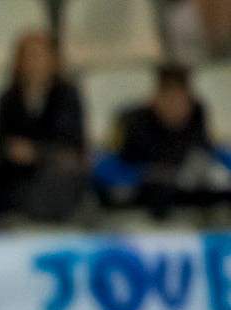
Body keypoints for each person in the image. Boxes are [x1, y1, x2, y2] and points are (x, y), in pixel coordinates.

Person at [95, 64, 231, 219]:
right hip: (145, 197)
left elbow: (209, 151)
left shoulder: (197, 115)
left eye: (181, 100)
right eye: (169, 99)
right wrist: (149, 173)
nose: (175, 107)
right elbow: (110, 166)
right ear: (156, 97)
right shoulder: (134, 121)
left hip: (189, 189)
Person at [0, 32, 86, 224]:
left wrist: (36, 152)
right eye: (29, 56)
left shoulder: (67, 96)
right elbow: (7, 147)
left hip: (55, 173)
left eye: (40, 56)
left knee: (60, 176)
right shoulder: (7, 99)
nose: (35, 63)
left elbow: (70, 143)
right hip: (18, 175)